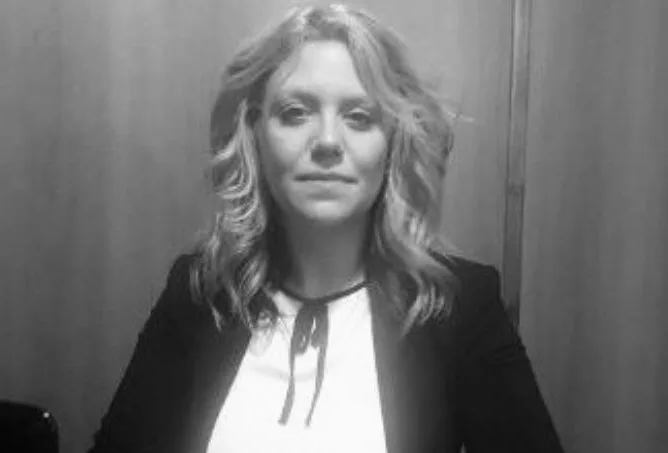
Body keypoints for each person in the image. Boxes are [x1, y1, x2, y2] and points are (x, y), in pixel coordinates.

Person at [89, 4, 564, 453]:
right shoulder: (201, 295)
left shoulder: (457, 307)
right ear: (255, 134)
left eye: (359, 117)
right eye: (295, 113)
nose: (328, 141)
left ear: (392, 143)